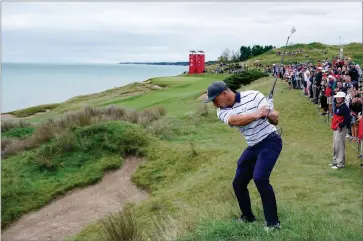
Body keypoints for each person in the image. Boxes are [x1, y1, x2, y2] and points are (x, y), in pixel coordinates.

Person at [204, 81, 282, 231]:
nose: (214, 104)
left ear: (224, 94)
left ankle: (273, 224)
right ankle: (248, 217)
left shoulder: (254, 96)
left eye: (214, 100)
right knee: (238, 183)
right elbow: (235, 121)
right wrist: (257, 113)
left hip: (270, 141)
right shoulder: (221, 111)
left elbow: (275, 119)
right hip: (253, 146)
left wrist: (269, 113)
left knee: (260, 178)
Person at [330, 91, 351, 169]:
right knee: (335, 145)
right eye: (337, 97)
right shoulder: (338, 106)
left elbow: (347, 119)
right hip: (336, 128)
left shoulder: (345, 108)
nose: (338, 98)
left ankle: (340, 163)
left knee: (340, 145)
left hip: (340, 129)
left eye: (340, 97)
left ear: (343, 98)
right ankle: (335, 161)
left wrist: (341, 125)